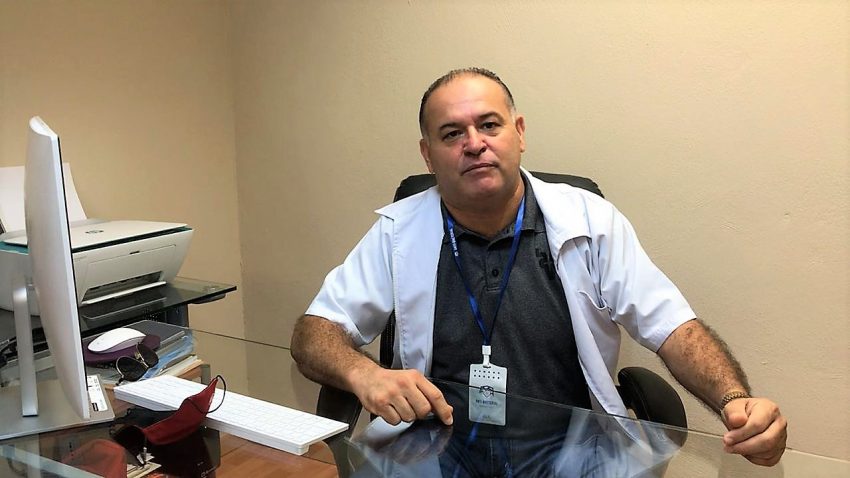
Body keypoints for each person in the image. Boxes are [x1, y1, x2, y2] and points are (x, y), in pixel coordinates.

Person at [291, 67, 787, 466]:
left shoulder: (590, 220)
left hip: (571, 453)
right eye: (451, 133)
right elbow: (314, 334)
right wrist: (363, 373)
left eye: (489, 125)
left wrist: (735, 400)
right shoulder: (398, 230)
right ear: (428, 155)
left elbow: (674, 328)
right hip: (436, 452)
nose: (474, 143)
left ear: (519, 133)